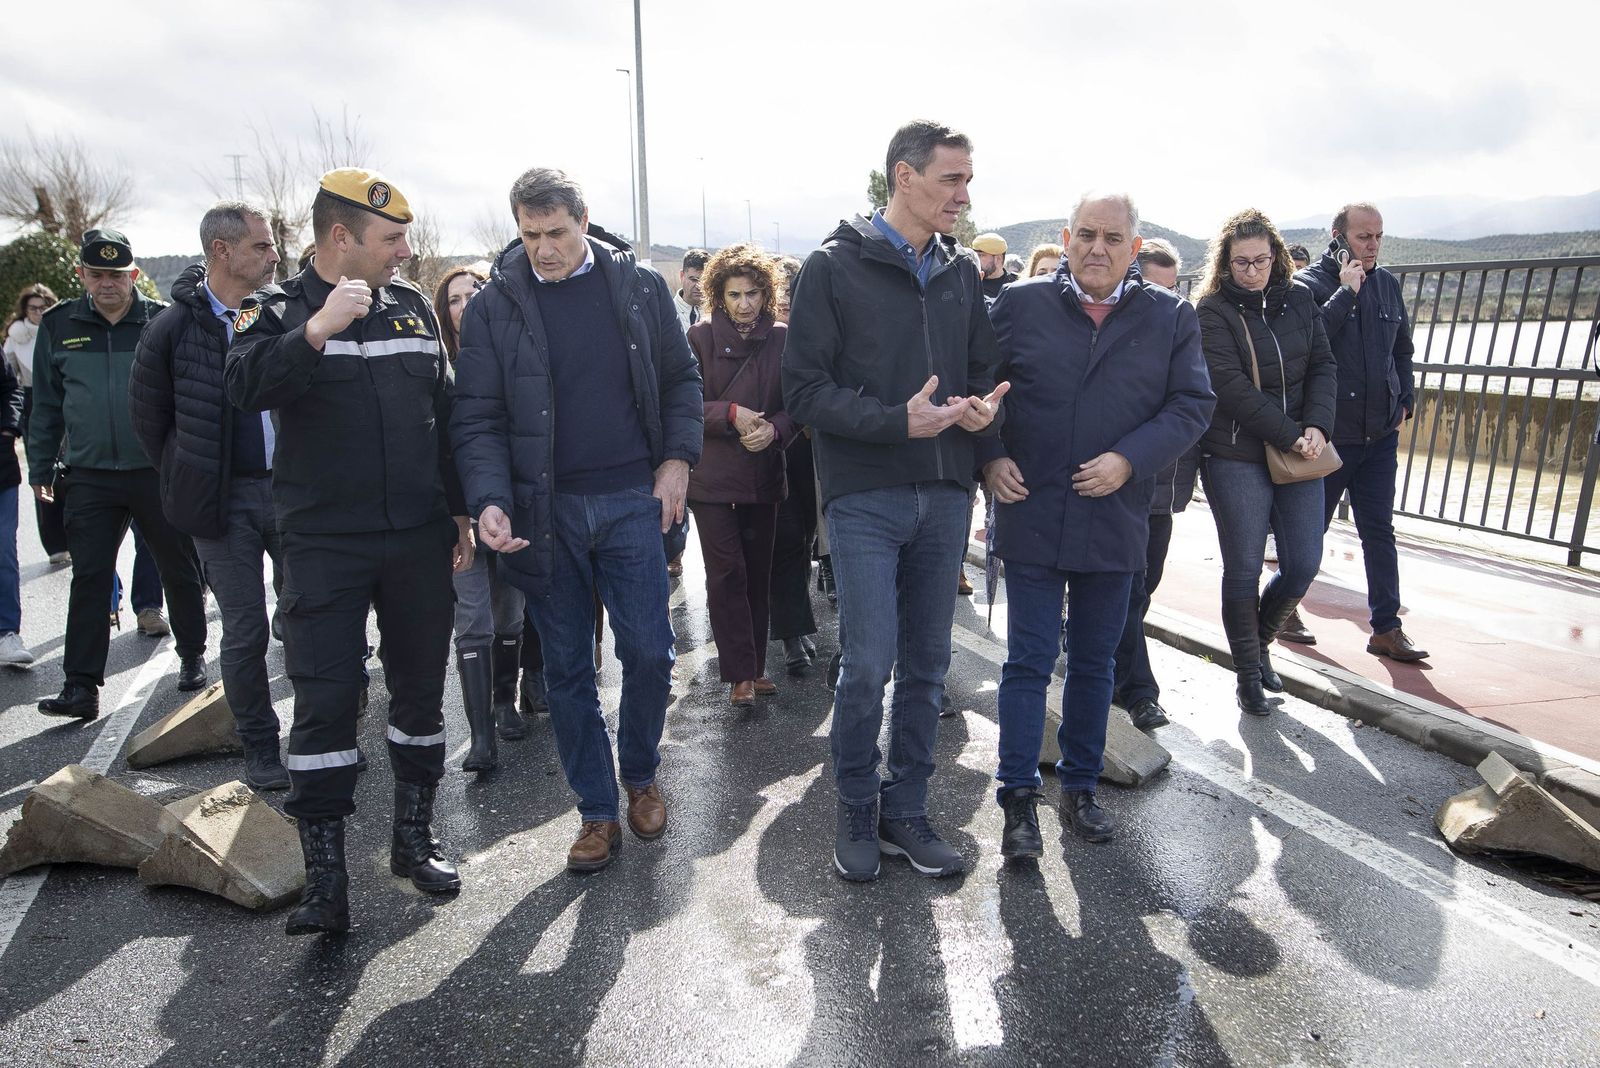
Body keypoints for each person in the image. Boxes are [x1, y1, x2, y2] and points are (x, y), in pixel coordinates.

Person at [227, 169, 471, 934]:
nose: (405, 251)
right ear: (341, 237)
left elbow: (445, 414)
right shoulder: (275, 309)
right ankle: (326, 880)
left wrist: (460, 509)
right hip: (323, 543)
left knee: (420, 696)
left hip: (416, 538)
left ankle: (413, 840)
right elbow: (242, 388)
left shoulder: (412, 308)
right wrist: (314, 331)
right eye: (391, 239)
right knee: (327, 702)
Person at [452, 167, 703, 875]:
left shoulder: (639, 287)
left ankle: (641, 773)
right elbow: (477, 418)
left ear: (584, 221)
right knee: (566, 667)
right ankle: (596, 810)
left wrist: (677, 460)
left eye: (557, 232)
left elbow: (681, 380)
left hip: (631, 500)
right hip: (543, 513)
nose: (544, 249)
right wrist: (489, 498)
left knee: (650, 651)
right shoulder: (495, 307)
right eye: (530, 234)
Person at [784, 119, 1007, 881]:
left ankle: (905, 809)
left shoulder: (960, 272)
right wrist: (893, 422)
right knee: (867, 662)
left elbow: (982, 369)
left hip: (944, 494)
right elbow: (803, 391)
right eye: (952, 179)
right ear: (903, 178)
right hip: (865, 497)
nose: (964, 195)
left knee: (927, 666)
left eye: (968, 179)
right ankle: (856, 807)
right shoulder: (831, 266)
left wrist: (981, 411)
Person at [981, 194, 1213, 855]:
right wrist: (989, 457)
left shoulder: (1170, 316)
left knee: (1093, 664)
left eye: (1113, 238)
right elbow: (979, 390)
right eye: (1086, 234)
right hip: (1032, 507)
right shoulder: (1019, 304)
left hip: (1114, 515)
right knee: (1027, 662)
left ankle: (1081, 787)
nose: (1097, 248)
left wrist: (1129, 460)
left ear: (1134, 247)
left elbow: (1192, 404)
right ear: (1066, 237)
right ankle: (1017, 798)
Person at [129, 202, 288, 789]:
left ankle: (323, 739)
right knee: (246, 629)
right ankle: (260, 745)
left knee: (311, 616)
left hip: (292, 493)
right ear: (222, 251)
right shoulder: (171, 329)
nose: (274, 255)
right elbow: (150, 422)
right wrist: (191, 473)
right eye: (261, 246)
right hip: (222, 505)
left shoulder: (276, 312)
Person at [29, 229, 208, 721]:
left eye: (117, 274)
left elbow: (188, 396)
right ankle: (80, 686)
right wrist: (40, 466)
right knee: (89, 577)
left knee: (178, 567)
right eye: (97, 274)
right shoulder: (59, 324)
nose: (107, 284)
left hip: (155, 470)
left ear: (134, 275)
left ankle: (192, 655)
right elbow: (46, 405)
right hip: (89, 476)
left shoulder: (161, 320)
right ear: (82, 275)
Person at [1195, 209, 1337, 716]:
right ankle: (1248, 675)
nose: (1252, 271)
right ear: (1225, 263)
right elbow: (1230, 388)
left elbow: (1323, 364)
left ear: (1276, 256)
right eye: (1241, 263)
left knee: (1303, 564)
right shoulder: (1212, 311)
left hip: (1301, 449)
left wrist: (1317, 426)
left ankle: (1260, 644)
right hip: (1235, 453)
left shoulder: (1300, 299)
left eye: (1260, 260)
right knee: (1243, 567)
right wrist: (1292, 434)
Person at [1296, 202, 1427, 662]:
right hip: (1331, 438)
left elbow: (1403, 350)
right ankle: (1283, 607)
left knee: (1379, 531)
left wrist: (1405, 399)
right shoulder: (1309, 285)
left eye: (1378, 236)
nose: (1372, 246)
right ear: (1338, 238)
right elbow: (1306, 347)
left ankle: (1386, 628)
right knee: (1308, 532)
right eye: (1363, 237)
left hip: (1380, 435)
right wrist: (1345, 293)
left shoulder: (1387, 284)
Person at [686, 244, 794, 707]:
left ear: (766, 292)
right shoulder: (699, 337)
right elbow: (683, 403)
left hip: (763, 473)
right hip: (712, 480)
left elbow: (800, 401)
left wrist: (776, 429)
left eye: (752, 293)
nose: (744, 303)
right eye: (734, 294)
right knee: (726, 573)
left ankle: (755, 665)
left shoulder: (784, 338)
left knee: (757, 572)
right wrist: (730, 412)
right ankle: (739, 674)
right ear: (718, 294)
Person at [432, 261, 529, 772]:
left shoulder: (508, 355)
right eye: (454, 298)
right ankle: (481, 735)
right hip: (459, 515)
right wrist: (458, 520)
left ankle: (505, 702)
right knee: (473, 617)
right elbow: (442, 453)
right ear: (443, 312)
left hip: (511, 507)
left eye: (473, 293)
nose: (465, 304)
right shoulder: (437, 368)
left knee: (510, 611)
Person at [1111, 237, 1201, 731]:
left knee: (1142, 592)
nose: (1162, 299)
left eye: (1171, 289)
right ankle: (1140, 692)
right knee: (1126, 593)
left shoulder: (1180, 328)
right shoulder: (1116, 334)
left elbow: (1193, 408)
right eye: (1153, 287)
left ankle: (1102, 657)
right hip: (1121, 488)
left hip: (1163, 491)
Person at [4, 284, 68, 565]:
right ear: (25, 310)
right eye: (33, 308)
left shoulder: (60, 329)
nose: (39, 312)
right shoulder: (15, 337)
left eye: (44, 307)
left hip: (64, 400)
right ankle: (55, 543)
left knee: (71, 472)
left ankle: (77, 535)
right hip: (33, 405)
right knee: (42, 472)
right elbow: (10, 381)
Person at [0, 343, 30, 666]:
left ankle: (7, 632)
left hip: (1, 470)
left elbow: (11, 387)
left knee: (3, 549)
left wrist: (8, 429)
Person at [972, 232, 1018, 301]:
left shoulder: (1015, 286)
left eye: (981, 255)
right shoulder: (969, 284)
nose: (976, 259)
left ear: (998, 259)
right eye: (975, 255)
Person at [674, 248, 709, 332]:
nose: (699, 286)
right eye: (693, 279)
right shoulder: (666, 313)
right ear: (682, 276)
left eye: (704, 281)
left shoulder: (718, 315)